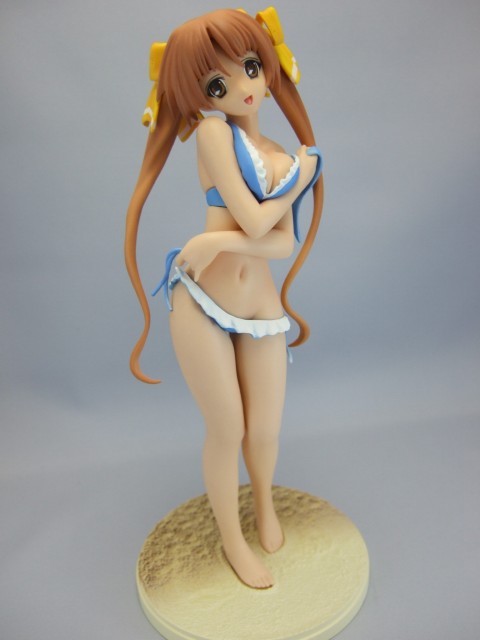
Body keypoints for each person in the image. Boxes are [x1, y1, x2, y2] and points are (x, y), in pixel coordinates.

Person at [125, 7, 324, 589]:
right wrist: (302, 180)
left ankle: (263, 503)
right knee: (227, 429)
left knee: (265, 431)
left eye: (251, 67)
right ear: (202, 96)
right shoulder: (215, 134)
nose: (242, 87)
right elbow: (256, 222)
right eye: (218, 84)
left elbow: (282, 243)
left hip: (261, 308)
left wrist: (216, 240)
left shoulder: (282, 155)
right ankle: (232, 540)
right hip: (202, 305)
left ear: (269, 66)